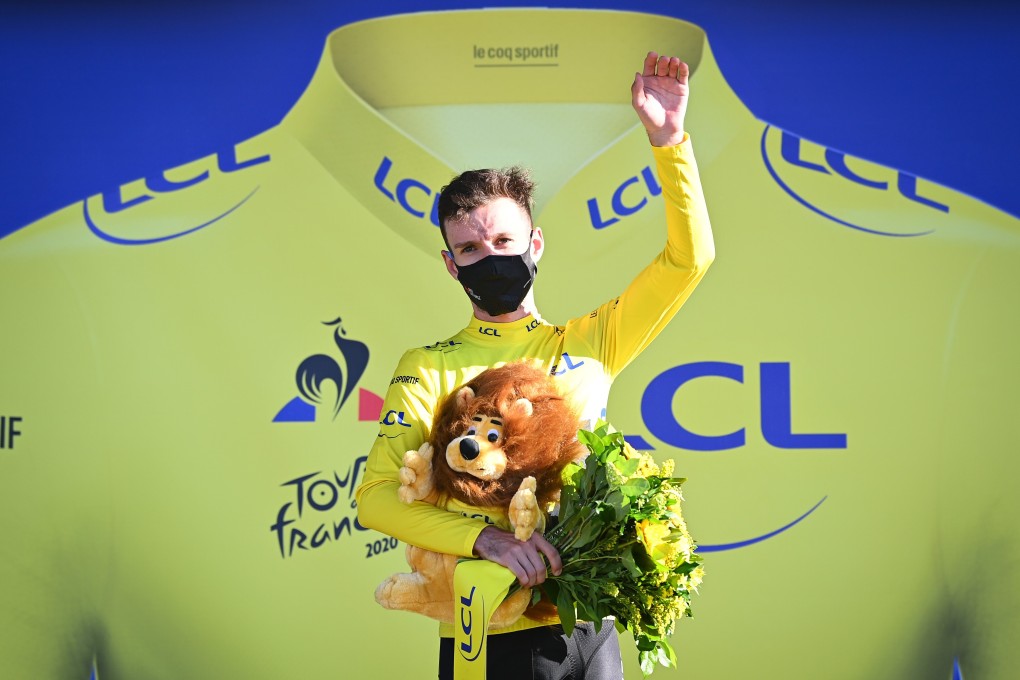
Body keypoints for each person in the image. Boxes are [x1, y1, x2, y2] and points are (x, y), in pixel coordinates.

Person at [355, 50, 715, 679]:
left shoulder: (591, 341)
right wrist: (484, 540)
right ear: (450, 265)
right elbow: (376, 501)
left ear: (535, 244)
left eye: (503, 241)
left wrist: (670, 142)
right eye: (469, 248)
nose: (489, 257)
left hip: (589, 623)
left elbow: (689, 262)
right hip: (486, 628)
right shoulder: (430, 366)